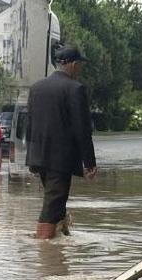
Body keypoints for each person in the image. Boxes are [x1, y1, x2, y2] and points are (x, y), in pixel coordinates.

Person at [26, 46, 97, 239]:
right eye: (80, 64)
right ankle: (44, 248)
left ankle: (60, 241)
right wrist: (89, 163)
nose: (80, 68)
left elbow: (30, 125)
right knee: (53, 201)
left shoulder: (36, 88)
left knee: (56, 201)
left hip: (38, 157)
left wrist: (30, 159)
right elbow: (82, 129)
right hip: (60, 159)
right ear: (74, 64)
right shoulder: (75, 89)